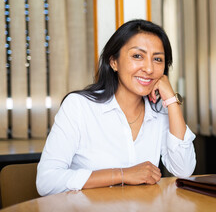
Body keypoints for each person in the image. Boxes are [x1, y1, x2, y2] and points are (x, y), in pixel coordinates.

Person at [36, 19, 196, 196]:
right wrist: (122, 174)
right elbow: (46, 181)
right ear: (114, 62)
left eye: (157, 59)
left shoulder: (160, 111)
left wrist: (172, 101)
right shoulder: (79, 107)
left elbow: (184, 169)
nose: (149, 68)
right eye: (137, 56)